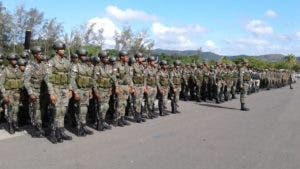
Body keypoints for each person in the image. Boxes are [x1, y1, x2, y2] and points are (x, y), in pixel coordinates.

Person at [45, 41, 73, 143]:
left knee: (63, 111)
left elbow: (71, 76)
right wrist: (51, 93)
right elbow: (47, 78)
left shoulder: (67, 62)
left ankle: (60, 131)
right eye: (61, 49)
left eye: (64, 49)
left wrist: (70, 89)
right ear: (56, 50)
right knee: (55, 111)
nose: (63, 50)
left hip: (65, 89)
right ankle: (53, 132)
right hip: (56, 89)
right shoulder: (51, 62)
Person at [23, 46, 47, 137]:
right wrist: (31, 93)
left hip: (43, 91)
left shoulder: (43, 64)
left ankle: (41, 125)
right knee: (36, 110)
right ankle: (38, 129)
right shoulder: (30, 66)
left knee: (42, 110)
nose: (42, 55)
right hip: (34, 91)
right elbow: (26, 81)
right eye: (40, 54)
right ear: (35, 55)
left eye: (41, 53)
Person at [70, 48, 94, 136]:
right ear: (79, 57)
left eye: (85, 55)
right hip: (79, 90)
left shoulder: (88, 66)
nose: (85, 57)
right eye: (83, 56)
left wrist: (90, 90)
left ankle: (84, 126)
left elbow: (90, 79)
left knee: (85, 109)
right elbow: (72, 80)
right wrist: (75, 92)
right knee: (79, 110)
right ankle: (79, 128)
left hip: (86, 90)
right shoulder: (75, 66)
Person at [0, 53, 23, 134]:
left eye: (16, 60)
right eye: (13, 60)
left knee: (16, 109)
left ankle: (15, 124)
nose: (15, 61)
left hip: (17, 92)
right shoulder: (5, 70)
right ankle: (10, 125)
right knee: (10, 109)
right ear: (9, 61)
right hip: (9, 92)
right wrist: (4, 95)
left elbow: (21, 80)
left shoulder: (18, 69)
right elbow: (1, 84)